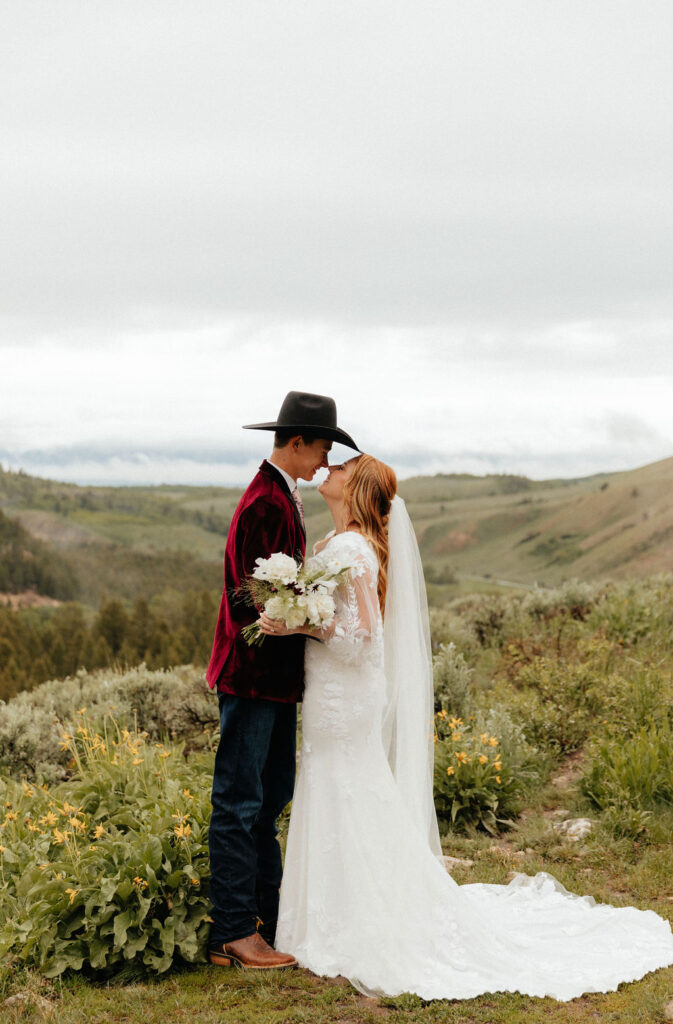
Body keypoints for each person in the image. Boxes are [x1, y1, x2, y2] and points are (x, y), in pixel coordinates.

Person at [258, 453, 673, 1000]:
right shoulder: (340, 545)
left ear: (355, 488)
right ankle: (332, 914)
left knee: (346, 787)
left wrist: (300, 626)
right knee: (337, 787)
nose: (328, 472)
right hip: (332, 692)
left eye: (340, 470)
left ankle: (355, 919)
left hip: (344, 692)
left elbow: (362, 640)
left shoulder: (353, 548)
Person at [205, 391, 359, 971]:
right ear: (296, 443)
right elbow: (249, 597)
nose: (324, 461)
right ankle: (234, 932)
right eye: (321, 448)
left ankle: (265, 918)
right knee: (240, 802)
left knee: (267, 799)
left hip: (269, 680)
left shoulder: (281, 493)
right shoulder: (266, 502)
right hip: (252, 679)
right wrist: (310, 613)